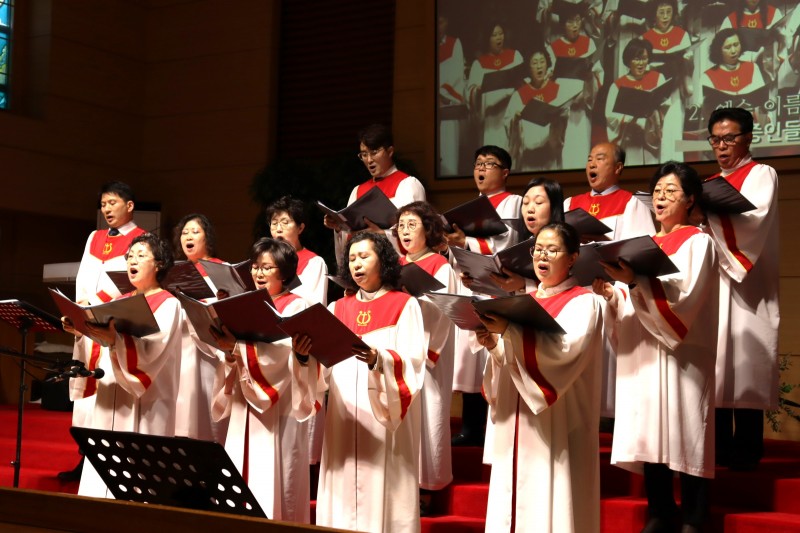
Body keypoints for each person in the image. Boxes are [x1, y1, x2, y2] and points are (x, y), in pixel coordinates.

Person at [595, 162, 719, 532]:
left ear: (691, 199)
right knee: (651, 429)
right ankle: (660, 510)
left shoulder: (699, 242)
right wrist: (614, 293)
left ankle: (695, 517)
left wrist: (637, 282)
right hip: (645, 350)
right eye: (658, 192)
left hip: (682, 354)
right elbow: (632, 299)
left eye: (671, 192)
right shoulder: (643, 245)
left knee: (685, 427)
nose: (661, 199)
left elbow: (686, 299)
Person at [476, 222, 603, 533]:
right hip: (515, 416)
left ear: (572, 258)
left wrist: (510, 332)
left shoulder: (584, 302)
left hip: (557, 419)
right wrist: (494, 344)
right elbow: (513, 361)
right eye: (538, 249)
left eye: (552, 249)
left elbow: (562, 356)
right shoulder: (523, 301)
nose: (542, 255)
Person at [299, 232, 426, 533]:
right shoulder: (336, 310)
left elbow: (414, 363)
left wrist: (377, 360)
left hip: (382, 414)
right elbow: (324, 371)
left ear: (383, 262)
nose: (357, 263)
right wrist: (306, 358)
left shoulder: (404, 306)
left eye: (364, 256)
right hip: (343, 416)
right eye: (352, 258)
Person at [63, 233, 182, 498]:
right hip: (112, 393)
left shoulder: (170, 304)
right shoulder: (118, 301)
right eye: (130, 256)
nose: (132, 260)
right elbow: (103, 343)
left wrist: (115, 340)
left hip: (146, 403)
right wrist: (81, 330)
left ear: (160, 264)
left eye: (141, 255)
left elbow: (153, 352)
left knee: (139, 474)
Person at [210, 238, 319, 522]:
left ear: (283, 273)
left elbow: (282, 357)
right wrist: (229, 352)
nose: (258, 273)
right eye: (255, 267)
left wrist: (237, 347)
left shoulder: (297, 306)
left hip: (277, 408)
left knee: (273, 477)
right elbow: (236, 354)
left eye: (267, 267)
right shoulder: (245, 304)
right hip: (244, 401)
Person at [705, 107, 779, 471]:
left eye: (729, 138)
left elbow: (754, 220)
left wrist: (707, 214)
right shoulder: (706, 184)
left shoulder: (761, 174)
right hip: (714, 283)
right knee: (717, 363)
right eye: (716, 139)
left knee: (746, 363)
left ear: (748, 137)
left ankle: (748, 451)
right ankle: (718, 448)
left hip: (749, 284)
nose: (722, 146)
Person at [59, 181, 147, 482]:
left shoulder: (141, 239)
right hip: (88, 323)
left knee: (110, 392)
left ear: (130, 205)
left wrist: (98, 305)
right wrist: (79, 305)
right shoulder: (94, 237)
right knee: (86, 396)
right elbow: (85, 275)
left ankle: (113, 460)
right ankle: (86, 458)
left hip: (112, 324)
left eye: (113, 202)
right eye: (103, 204)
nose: (107, 209)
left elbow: (134, 282)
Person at [564, 142, 656, 419]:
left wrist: (606, 245)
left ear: (618, 168)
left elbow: (638, 250)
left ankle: (611, 415)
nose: (592, 164)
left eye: (600, 159)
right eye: (590, 159)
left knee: (610, 354)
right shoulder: (570, 204)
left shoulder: (631, 203)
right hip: (578, 290)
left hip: (610, 291)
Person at [446, 145, 522, 447]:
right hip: (472, 286)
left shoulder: (513, 202)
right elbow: (458, 250)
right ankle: (471, 427)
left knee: (492, 356)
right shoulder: (471, 206)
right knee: (471, 358)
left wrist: (466, 241)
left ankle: (495, 429)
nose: (481, 169)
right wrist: (457, 255)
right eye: (478, 163)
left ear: (505, 172)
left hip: (497, 287)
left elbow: (509, 243)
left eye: (489, 164)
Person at [394, 201, 457, 511]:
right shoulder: (393, 263)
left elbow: (447, 310)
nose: (405, 231)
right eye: (401, 226)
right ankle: (401, 484)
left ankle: (426, 489)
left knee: (428, 416)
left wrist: (429, 350)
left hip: (429, 352)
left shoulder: (439, 265)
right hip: (399, 352)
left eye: (412, 225)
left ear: (428, 230)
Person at [266, 195, 329, 469]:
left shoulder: (313, 263)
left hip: (295, 348)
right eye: (274, 222)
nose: (278, 228)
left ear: (300, 227)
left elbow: (310, 307)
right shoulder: (262, 262)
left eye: (285, 222)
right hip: (268, 350)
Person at [323, 124, 426, 257]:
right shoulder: (357, 190)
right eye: (364, 154)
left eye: (374, 152)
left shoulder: (408, 184)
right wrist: (339, 228)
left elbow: (418, 234)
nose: (369, 160)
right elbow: (348, 244)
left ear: (390, 151)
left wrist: (381, 234)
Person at [172, 213, 227, 443]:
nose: (189, 237)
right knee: (182, 406)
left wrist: (201, 306)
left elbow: (227, 305)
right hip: (179, 344)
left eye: (195, 232)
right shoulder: (173, 271)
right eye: (185, 233)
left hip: (208, 346)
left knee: (204, 407)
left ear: (207, 239)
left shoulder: (222, 268)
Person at [546, 5, 605, 169]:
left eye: (578, 21)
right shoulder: (554, 47)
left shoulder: (589, 44)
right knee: (561, 142)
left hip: (582, 99)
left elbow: (598, 71)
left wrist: (586, 91)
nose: (574, 25)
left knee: (580, 141)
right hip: (561, 101)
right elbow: (549, 76)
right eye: (570, 22)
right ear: (563, 24)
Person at [503, 48, 572, 171]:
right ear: (529, 68)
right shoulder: (519, 94)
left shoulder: (557, 90)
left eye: (542, 62)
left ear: (547, 65)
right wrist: (516, 119)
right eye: (534, 63)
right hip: (528, 159)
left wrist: (560, 117)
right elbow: (508, 122)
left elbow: (565, 115)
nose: (539, 66)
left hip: (549, 156)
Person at [641, 0, 694, 160]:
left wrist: (687, 61)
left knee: (674, 127)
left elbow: (689, 65)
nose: (665, 17)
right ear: (653, 14)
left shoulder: (681, 35)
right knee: (656, 129)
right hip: (654, 89)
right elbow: (641, 65)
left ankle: (676, 165)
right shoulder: (646, 37)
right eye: (661, 12)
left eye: (668, 12)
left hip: (674, 88)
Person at [605, 38, 668, 165]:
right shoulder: (618, 85)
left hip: (651, 136)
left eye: (644, 58)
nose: (641, 63)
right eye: (636, 59)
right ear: (628, 61)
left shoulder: (658, 78)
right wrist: (631, 120)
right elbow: (610, 115)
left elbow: (666, 104)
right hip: (630, 140)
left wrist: (654, 116)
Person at [465, 21, 524, 146]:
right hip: (490, 119)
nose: (499, 37)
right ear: (487, 38)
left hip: (510, 113)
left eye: (501, 33)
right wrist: (478, 90)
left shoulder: (514, 56)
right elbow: (470, 92)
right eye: (494, 35)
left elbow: (524, 84)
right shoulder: (479, 64)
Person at [701, 29, 768, 122]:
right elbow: (709, 113)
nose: (733, 51)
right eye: (727, 47)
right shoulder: (708, 77)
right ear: (718, 50)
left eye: (736, 45)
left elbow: (761, 102)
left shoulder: (752, 68)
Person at [438, 14, 467, 176]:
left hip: (447, 106)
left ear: (447, 22)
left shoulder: (454, 44)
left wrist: (440, 95)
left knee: (449, 160)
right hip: (431, 112)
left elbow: (457, 75)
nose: (438, 26)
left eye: (441, 22)